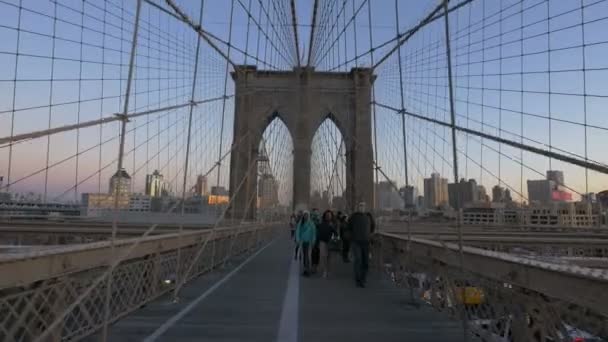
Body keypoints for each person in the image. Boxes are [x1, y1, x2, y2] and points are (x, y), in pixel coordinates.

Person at [347, 202, 375, 288]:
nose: (362, 207)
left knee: (365, 262)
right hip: (356, 242)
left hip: (366, 242)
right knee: (358, 259)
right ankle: (358, 280)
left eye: (363, 206)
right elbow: (349, 227)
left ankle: (363, 279)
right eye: (360, 206)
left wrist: (368, 235)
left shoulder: (369, 216)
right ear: (358, 207)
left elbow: (373, 227)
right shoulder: (354, 216)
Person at [317, 210, 337, 278]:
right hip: (322, 241)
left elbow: (336, 233)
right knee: (323, 256)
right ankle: (325, 270)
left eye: (329, 215)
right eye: (327, 215)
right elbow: (318, 231)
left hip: (330, 242)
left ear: (331, 216)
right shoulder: (321, 223)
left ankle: (329, 270)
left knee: (329, 257)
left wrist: (332, 227)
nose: (328, 216)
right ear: (325, 216)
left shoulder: (333, 223)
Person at [295, 211, 316, 276]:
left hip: (309, 242)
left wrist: (313, 241)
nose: (306, 216)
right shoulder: (300, 223)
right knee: (304, 256)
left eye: (307, 215)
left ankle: (308, 269)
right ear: (303, 216)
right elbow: (297, 232)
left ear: (308, 215)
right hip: (302, 242)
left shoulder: (311, 223)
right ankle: (305, 269)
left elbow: (314, 233)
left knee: (308, 256)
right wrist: (298, 240)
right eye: (305, 215)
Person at [310, 208, 321, 273]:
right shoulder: (313, 219)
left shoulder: (316, 219)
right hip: (314, 238)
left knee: (315, 251)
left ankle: (314, 266)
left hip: (316, 238)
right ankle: (314, 266)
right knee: (315, 251)